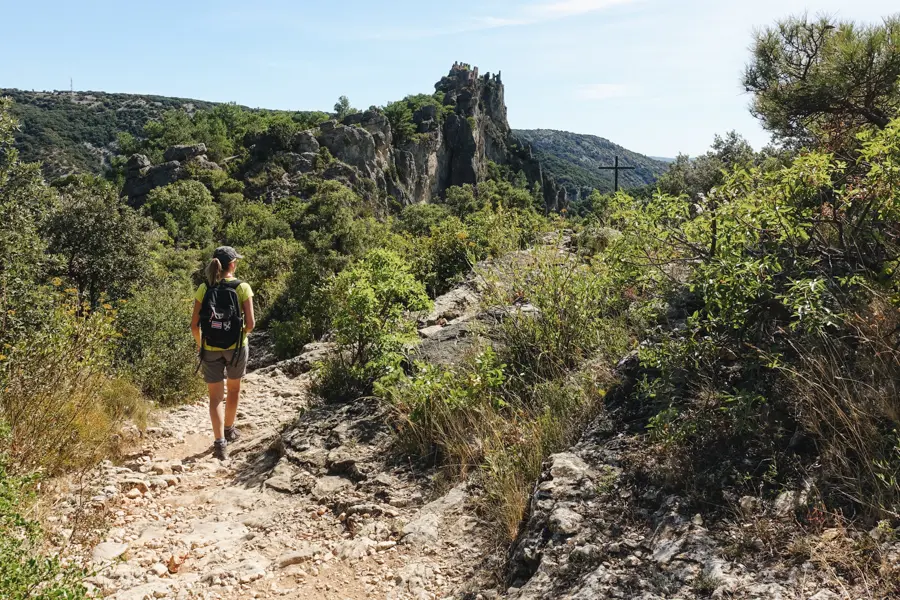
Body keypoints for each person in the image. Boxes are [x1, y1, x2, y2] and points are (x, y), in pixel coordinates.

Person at [190, 246, 255, 460]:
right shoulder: (242, 287)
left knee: (215, 397)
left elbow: (194, 325)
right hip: (236, 348)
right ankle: (229, 430)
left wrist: (201, 345)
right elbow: (251, 324)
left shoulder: (204, 288)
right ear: (232, 264)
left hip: (209, 348)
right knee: (234, 390)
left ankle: (219, 443)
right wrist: (237, 335)